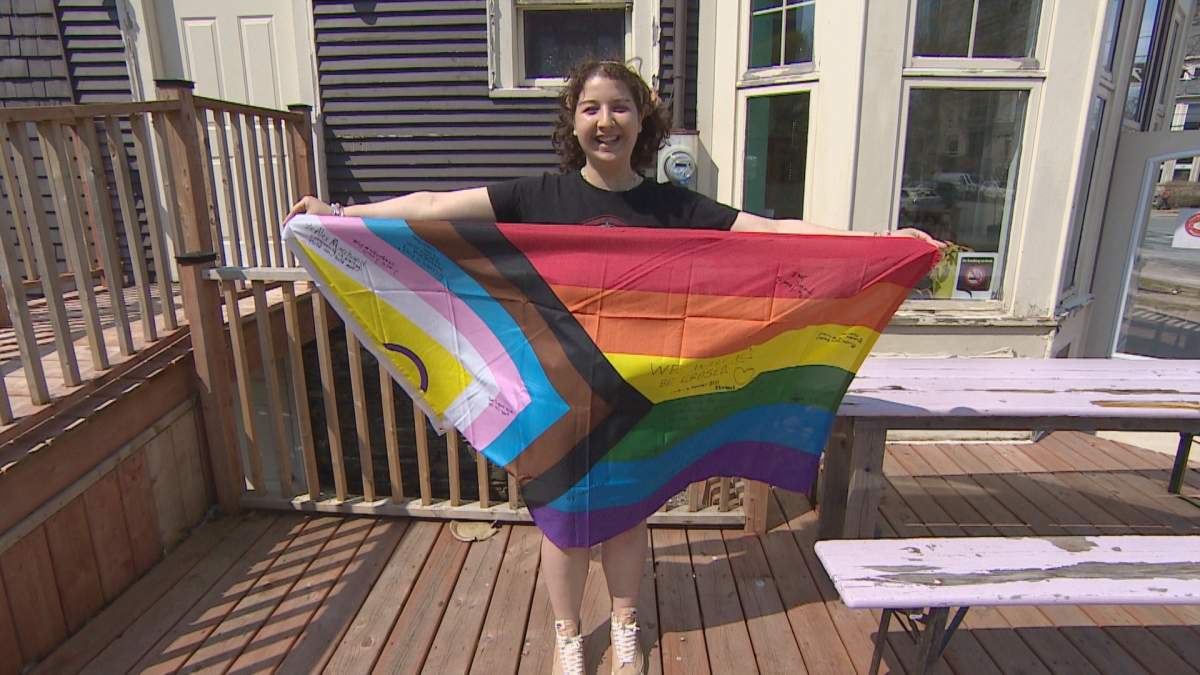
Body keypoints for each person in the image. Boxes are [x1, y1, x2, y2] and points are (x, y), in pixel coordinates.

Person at [289, 59, 943, 675]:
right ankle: (568, 633)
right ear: (573, 121)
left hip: (641, 395)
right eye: (592, 107)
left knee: (629, 514)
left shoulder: (671, 207)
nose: (607, 121)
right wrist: (343, 216)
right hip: (560, 397)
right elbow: (433, 209)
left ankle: (627, 618)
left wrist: (884, 247)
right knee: (564, 521)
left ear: (642, 120)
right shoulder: (537, 196)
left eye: (621, 107)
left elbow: (766, 231)